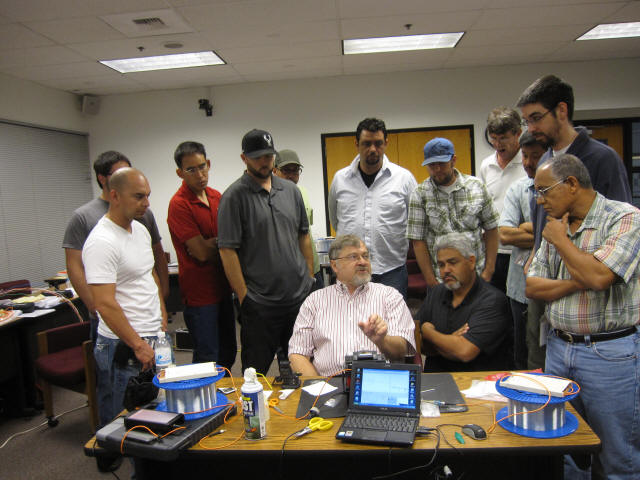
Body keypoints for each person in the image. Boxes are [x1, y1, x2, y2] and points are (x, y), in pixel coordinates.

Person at [526, 154, 639, 480]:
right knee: (564, 450)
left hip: (610, 354)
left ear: (572, 184)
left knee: (617, 454)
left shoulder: (624, 219)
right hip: (559, 350)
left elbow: (601, 278)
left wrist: (561, 243)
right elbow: (533, 285)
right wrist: (580, 278)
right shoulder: (555, 224)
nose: (540, 200)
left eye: (544, 191)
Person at [516, 74, 632, 370]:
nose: (531, 128)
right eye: (526, 121)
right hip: (550, 277)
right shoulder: (544, 163)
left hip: (595, 303)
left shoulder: (600, 157)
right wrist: (535, 254)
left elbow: (617, 226)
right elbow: (544, 221)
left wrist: (583, 268)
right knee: (540, 363)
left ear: (562, 111)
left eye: (536, 118)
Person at [218, 129, 314, 374]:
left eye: (269, 155)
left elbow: (304, 235)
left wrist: (309, 279)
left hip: (297, 299)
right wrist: (244, 297)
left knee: (303, 369)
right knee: (256, 374)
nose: (265, 161)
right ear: (244, 158)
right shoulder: (233, 197)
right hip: (260, 304)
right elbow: (227, 251)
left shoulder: (291, 191)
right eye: (258, 156)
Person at [83, 168, 167, 428]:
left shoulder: (140, 230)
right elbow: (104, 303)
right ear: (115, 196)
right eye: (139, 196)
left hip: (152, 334)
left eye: (148, 196)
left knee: (153, 407)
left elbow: (149, 273)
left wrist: (162, 313)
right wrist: (138, 345)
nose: (147, 203)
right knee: (125, 418)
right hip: (124, 343)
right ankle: (115, 457)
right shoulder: (102, 241)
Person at [63, 151, 169, 341]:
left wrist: (161, 305)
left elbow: (152, 262)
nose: (145, 202)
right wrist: (96, 307)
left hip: (148, 322)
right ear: (104, 180)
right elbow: (75, 267)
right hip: (112, 319)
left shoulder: (141, 219)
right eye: (139, 196)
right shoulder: (85, 218)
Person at [288, 234, 416, 377]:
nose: (362, 262)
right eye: (354, 257)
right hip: (329, 384)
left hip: (377, 382)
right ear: (335, 265)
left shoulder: (389, 296)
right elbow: (297, 354)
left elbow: (402, 350)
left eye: (365, 256)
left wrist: (382, 340)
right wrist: (320, 387)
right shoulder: (315, 301)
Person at [328, 118, 417, 298]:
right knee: (349, 323)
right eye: (366, 143)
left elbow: (414, 222)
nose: (373, 149)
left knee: (391, 325)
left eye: (378, 143)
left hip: (391, 271)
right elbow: (336, 220)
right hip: (350, 271)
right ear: (356, 144)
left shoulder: (404, 179)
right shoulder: (340, 179)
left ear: (386, 143)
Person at [167, 141, 236, 370]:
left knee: (228, 352)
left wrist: (212, 244)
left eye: (202, 166)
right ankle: (203, 405)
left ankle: (223, 400)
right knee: (207, 357)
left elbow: (231, 242)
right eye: (191, 169)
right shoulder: (179, 205)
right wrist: (220, 245)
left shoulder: (217, 197)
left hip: (224, 288)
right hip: (200, 296)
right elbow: (201, 253)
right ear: (180, 173)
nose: (200, 174)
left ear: (208, 164)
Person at [407, 137, 499, 289]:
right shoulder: (420, 194)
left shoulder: (476, 187)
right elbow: (418, 241)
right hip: (442, 279)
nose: (437, 170)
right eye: (431, 165)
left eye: (441, 164)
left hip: (476, 275)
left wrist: (489, 270)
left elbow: (492, 229)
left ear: (453, 160)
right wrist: (431, 280)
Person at [419, 233, 510, 373]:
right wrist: (449, 343)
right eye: (441, 265)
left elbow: (464, 352)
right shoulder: (437, 293)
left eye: (452, 262)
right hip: (434, 381)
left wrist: (428, 332)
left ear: (471, 262)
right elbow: (414, 340)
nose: (446, 270)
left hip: (477, 385)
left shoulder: (493, 301)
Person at [498, 132, 546, 369]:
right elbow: (505, 235)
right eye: (525, 156)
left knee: (547, 352)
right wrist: (544, 232)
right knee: (523, 352)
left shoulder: (565, 189)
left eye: (535, 156)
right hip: (520, 287)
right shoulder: (519, 189)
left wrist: (528, 227)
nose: (528, 162)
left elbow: (565, 234)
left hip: (552, 288)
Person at [478, 107, 526, 293]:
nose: (498, 144)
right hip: (493, 251)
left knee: (518, 305)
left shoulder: (529, 163)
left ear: (518, 134)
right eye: (494, 138)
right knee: (495, 306)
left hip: (520, 249)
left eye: (503, 138)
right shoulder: (486, 165)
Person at [273, 149, 323, 288]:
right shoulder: (269, 199)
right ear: (274, 171)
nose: (291, 175)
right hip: (288, 272)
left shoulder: (303, 192)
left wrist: (311, 271)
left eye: (295, 171)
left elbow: (307, 230)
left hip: (313, 267)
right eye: (286, 170)